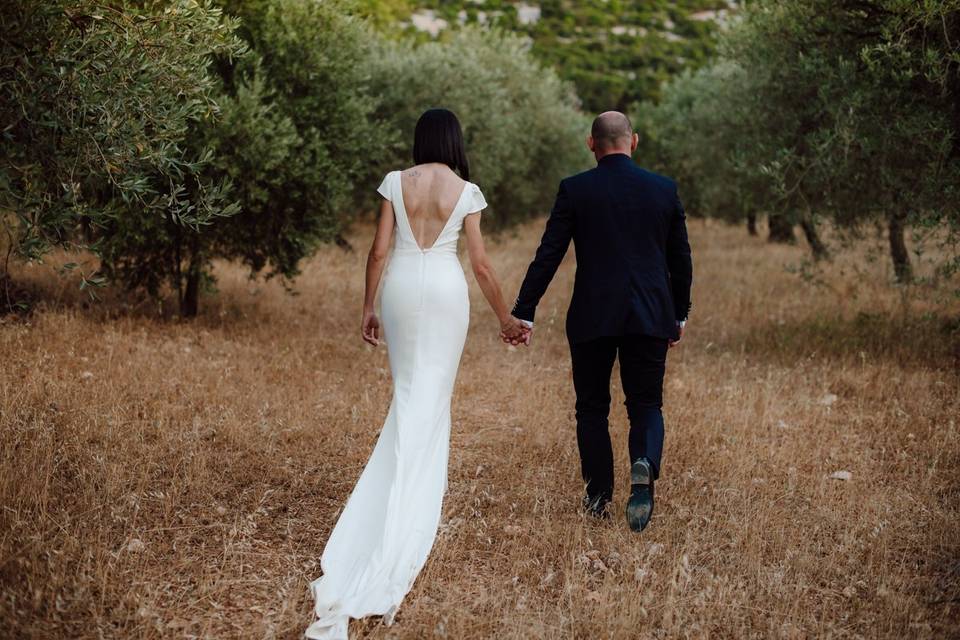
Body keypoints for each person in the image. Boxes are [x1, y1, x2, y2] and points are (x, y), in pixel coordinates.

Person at [304, 108, 528, 639]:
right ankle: (410, 505)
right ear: (454, 140)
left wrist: (368, 306)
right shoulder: (466, 190)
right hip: (446, 289)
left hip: (402, 286)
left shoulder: (395, 182)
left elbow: (379, 249)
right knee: (430, 398)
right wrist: (505, 318)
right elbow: (481, 265)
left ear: (419, 138)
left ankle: (392, 497)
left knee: (408, 394)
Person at [504, 111, 693, 532]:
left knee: (591, 408)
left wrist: (524, 310)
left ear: (591, 143)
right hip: (649, 314)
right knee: (646, 403)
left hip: (592, 315)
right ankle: (643, 460)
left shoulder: (576, 189)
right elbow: (681, 260)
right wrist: (678, 313)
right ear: (635, 141)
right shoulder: (663, 190)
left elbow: (548, 254)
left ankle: (597, 497)